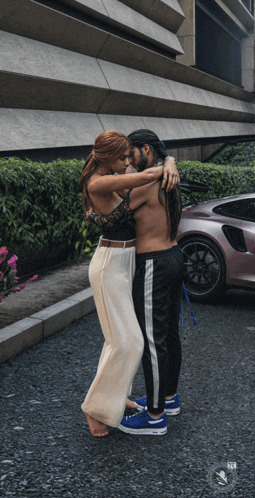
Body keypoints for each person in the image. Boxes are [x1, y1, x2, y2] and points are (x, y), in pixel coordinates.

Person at [79, 130, 179, 437]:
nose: (126, 162)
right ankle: (96, 408)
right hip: (109, 264)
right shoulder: (99, 182)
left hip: (129, 262)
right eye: (122, 157)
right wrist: (169, 163)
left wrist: (170, 160)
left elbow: (142, 180)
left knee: (129, 340)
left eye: (128, 155)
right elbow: (142, 179)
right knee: (128, 341)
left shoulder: (116, 176)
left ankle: (117, 398)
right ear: (107, 157)